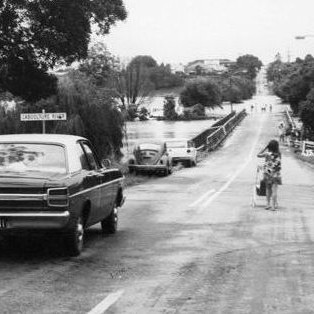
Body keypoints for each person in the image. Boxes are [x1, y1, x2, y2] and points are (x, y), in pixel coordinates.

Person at [257, 140, 282, 210]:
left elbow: (258, 155)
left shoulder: (267, 154)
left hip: (267, 174)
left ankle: (267, 204)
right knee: (274, 191)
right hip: (276, 174)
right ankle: (273, 206)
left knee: (268, 190)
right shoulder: (279, 154)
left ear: (269, 146)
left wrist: (265, 148)